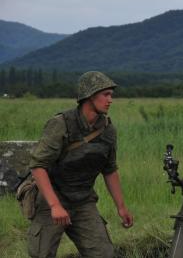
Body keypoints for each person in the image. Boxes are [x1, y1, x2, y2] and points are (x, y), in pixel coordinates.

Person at [28, 71, 133, 258]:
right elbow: (38, 166)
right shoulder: (61, 124)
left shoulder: (108, 130)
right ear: (90, 96)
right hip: (52, 197)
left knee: (104, 254)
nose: (110, 100)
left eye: (111, 95)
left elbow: (109, 170)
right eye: (105, 95)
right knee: (41, 255)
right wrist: (54, 206)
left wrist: (121, 207)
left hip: (83, 200)